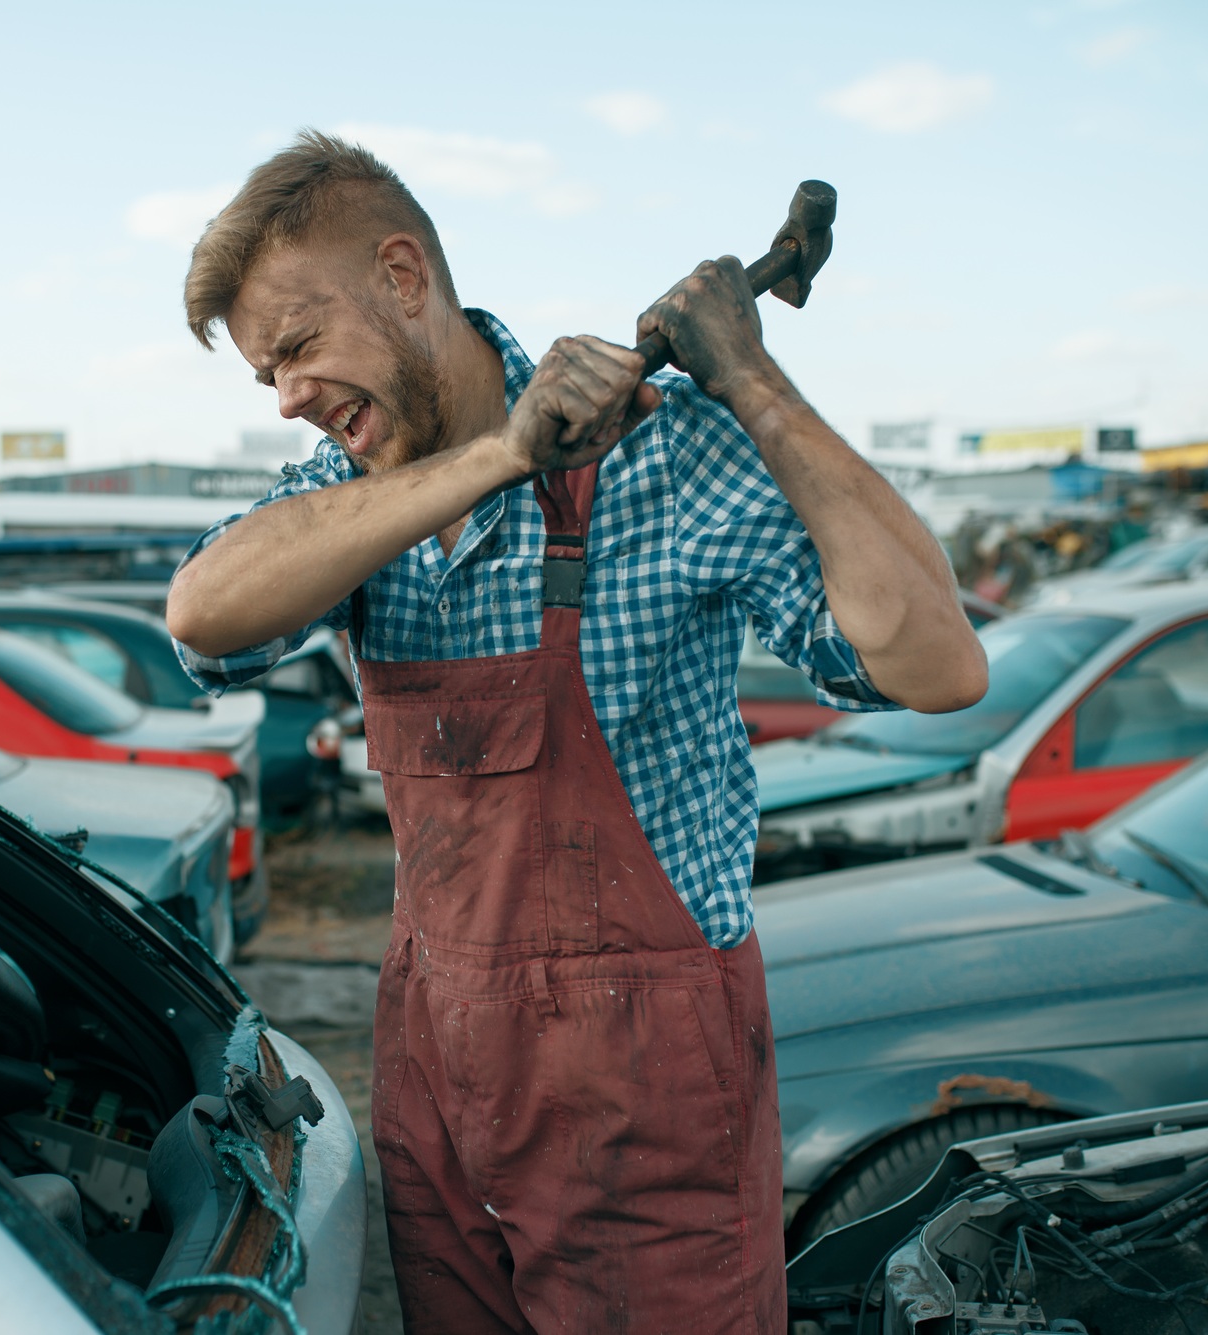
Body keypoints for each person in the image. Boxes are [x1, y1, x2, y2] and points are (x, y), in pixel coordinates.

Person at [166, 131, 986, 1334]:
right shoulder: (349, 508)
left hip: (641, 1099)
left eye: (295, 347)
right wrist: (498, 458)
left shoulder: (668, 455)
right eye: (262, 378)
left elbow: (936, 662)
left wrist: (751, 383)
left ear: (403, 279)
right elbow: (202, 619)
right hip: (439, 1082)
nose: (287, 394)